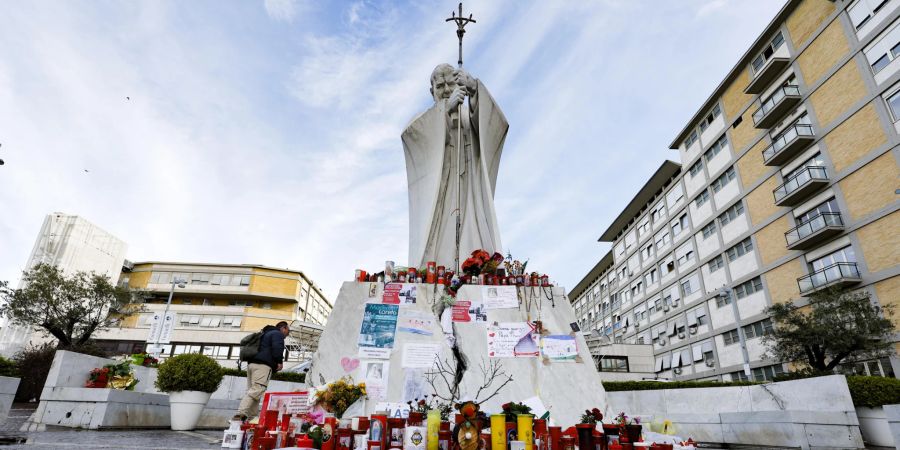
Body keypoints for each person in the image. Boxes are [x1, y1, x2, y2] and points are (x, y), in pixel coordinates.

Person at [402, 63, 508, 269]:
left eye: (451, 84)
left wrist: (475, 89)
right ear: (432, 91)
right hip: (441, 193)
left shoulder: (470, 119)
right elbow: (411, 136)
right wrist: (444, 110)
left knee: (472, 233)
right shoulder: (424, 121)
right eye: (440, 86)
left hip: (469, 190)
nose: (447, 90)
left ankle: (474, 265)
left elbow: (496, 125)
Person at [233, 321, 289, 422]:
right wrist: (279, 362)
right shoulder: (277, 334)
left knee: (255, 392)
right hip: (263, 366)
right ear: (283, 328)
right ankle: (240, 414)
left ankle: (252, 419)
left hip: (251, 364)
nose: (287, 333)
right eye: (287, 331)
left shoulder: (265, 333)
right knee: (257, 390)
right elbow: (277, 348)